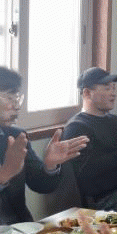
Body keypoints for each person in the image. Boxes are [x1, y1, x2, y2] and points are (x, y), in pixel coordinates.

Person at [0, 67, 88, 225]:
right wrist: (3, 176)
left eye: (17, 98)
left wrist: (50, 165)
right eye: (10, 98)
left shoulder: (16, 135)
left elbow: (41, 185)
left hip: (20, 229)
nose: (17, 106)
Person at [63, 68, 117, 214]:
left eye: (113, 88)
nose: (113, 93)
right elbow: (86, 173)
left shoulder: (115, 120)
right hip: (103, 200)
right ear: (87, 93)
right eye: (107, 88)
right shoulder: (76, 127)